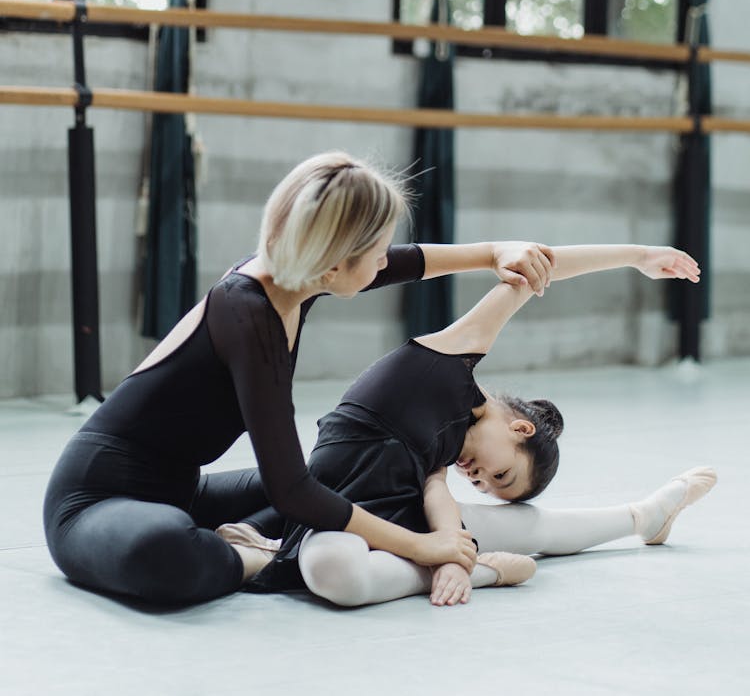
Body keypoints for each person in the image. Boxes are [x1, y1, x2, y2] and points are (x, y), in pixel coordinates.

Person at [43, 150, 557, 606]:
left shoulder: (295, 280)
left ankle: (261, 545)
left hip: (181, 490)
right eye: (376, 249)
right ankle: (277, 562)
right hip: (94, 501)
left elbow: (410, 263)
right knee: (166, 549)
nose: (384, 260)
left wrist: (495, 253)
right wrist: (421, 546)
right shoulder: (249, 314)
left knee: (340, 481)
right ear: (334, 263)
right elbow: (290, 490)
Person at [218, 242, 715, 608]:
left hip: (388, 520)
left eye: (484, 484)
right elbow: (538, 265)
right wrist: (638, 256)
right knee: (330, 567)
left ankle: (641, 516)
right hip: (337, 511)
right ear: (520, 430)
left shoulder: (441, 458)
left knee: (339, 572)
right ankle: (485, 569)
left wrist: (452, 554)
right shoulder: (453, 356)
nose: (478, 479)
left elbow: (439, 498)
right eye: (501, 476)